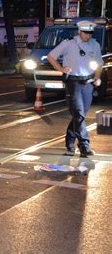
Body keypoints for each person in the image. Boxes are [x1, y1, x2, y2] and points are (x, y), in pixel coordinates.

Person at [47, 20, 103, 158]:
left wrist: (97, 77)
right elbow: (51, 56)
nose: (88, 36)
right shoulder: (69, 43)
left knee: (80, 115)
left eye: (90, 33)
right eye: (85, 33)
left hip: (88, 82)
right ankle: (84, 146)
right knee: (79, 114)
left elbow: (99, 63)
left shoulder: (94, 44)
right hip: (73, 82)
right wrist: (61, 69)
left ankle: (69, 143)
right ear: (79, 31)